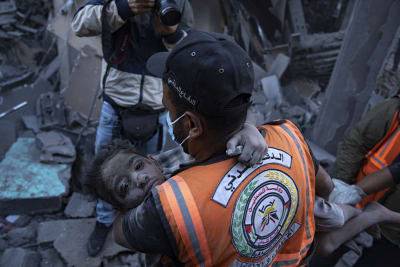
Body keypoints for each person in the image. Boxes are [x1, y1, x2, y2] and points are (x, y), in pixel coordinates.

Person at [102, 30, 321, 266]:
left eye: (168, 108)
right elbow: (327, 188)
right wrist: (246, 125)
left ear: (192, 125)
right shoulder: (290, 135)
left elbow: (120, 232)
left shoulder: (172, 205)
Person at [71, 0, 195, 256]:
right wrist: (122, 9)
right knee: (107, 176)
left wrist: (170, 34)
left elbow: (188, 50)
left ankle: (145, 229)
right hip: (116, 104)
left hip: (156, 105)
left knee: (149, 178)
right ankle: (104, 222)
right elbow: (79, 24)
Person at [331, 95, 400, 266]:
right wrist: (341, 190)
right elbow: (356, 144)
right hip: (353, 208)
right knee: (322, 253)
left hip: (392, 237)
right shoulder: (393, 111)